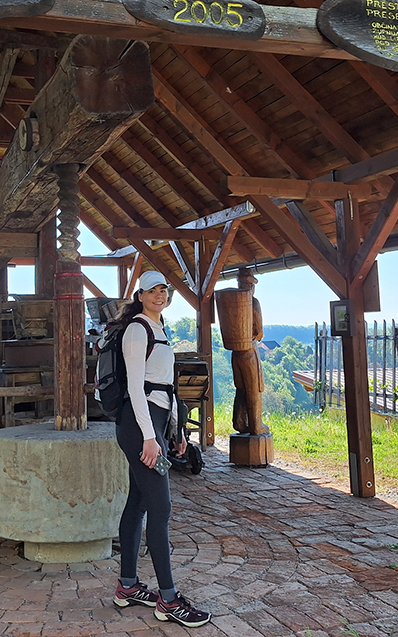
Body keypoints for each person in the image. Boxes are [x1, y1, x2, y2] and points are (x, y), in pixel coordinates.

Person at [111, 270, 211, 628]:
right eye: (152, 290)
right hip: (139, 425)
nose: (160, 295)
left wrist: (177, 430)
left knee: (138, 503)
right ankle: (168, 600)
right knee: (161, 507)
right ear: (140, 295)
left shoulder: (159, 329)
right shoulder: (138, 330)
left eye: (164, 290)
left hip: (154, 423)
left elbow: (166, 389)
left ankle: (127, 586)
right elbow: (137, 389)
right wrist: (149, 437)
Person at [231, 267, 269, 436]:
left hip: (235, 351)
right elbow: (259, 332)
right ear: (251, 285)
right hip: (249, 350)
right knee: (254, 388)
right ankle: (255, 424)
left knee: (241, 388)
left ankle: (239, 422)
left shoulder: (231, 301)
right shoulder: (253, 302)